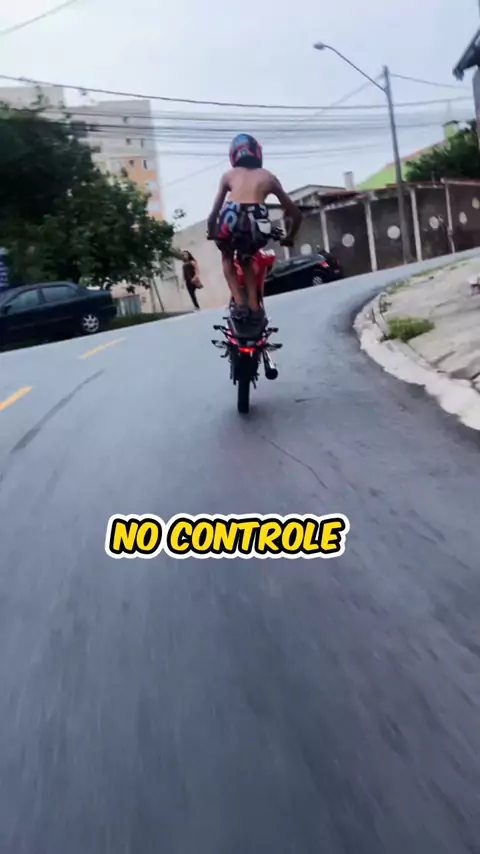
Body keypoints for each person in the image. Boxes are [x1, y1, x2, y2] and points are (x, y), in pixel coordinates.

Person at [207, 133, 302, 323]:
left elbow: (214, 213)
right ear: (257, 152)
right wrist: (289, 237)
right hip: (257, 220)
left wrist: (212, 232)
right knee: (247, 259)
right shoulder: (268, 177)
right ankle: (254, 305)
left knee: (227, 256)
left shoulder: (229, 175)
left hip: (231, 214)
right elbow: (296, 214)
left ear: (234, 154)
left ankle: (239, 303)